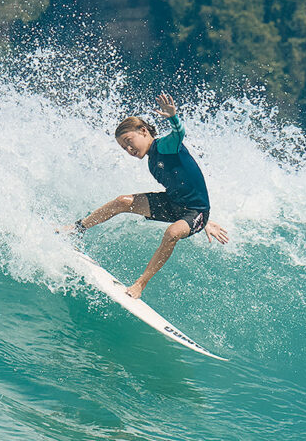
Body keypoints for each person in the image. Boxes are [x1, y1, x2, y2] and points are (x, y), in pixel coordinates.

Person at [68, 93, 230, 298]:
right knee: (122, 201)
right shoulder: (151, 162)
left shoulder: (164, 146)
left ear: (144, 131)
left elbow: (179, 133)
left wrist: (173, 117)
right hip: (174, 204)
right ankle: (77, 228)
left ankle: (140, 284)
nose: (128, 149)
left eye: (129, 141)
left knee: (172, 233)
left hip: (195, 211)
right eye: (123, 147)